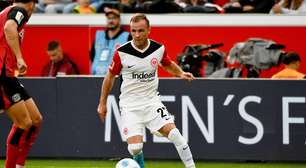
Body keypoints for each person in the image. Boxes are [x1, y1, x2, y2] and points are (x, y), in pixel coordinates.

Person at [97, 13, 196, 168]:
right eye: (133, 31)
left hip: (151, 102)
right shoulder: (122, 52)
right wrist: (102, 103)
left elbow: (167, 63)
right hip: (130, 105)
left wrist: (181, 73)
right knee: (135, 148)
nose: (137, 35)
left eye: (141, 31)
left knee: (177, 136)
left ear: (149, 30)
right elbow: (109, 77)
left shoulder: (158, 48)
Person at [0, 0, 43, 168]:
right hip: (2, 75)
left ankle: (20, 165)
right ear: (32, 4)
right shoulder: (20, 10)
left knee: (35, 119)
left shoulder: (7, 9)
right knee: (23, 123)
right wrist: (19, 57)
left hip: (9, 76)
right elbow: (9, 27)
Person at [90, 7, 130, 75]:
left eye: (114, 18)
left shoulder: (127, 37)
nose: (111, 21)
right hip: (96, 77)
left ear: (119, 20)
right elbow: (92, 55)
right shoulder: (99, 35)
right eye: (109, 18)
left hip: (116, 79)